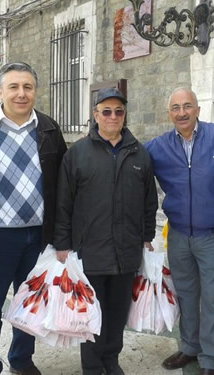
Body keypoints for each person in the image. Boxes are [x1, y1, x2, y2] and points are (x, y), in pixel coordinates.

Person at [0, 62, 67, 375]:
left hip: (38, 235)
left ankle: (21, 360)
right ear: (0, 91)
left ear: (35, 91)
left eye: (27, 87)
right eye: (13, 87)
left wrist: (61, 235)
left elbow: (61, 184)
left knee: (30, 304)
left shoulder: (49, 128)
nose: (21, 94)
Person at [53, 88, 158, 375]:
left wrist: (147, 236)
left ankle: (111, 360)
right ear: (95, 115)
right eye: (107, 111)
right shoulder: (77, 154)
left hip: (126, 252)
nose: (113, 116)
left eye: (119, 111)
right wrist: (63, 243)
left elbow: (150, 200)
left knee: (116, 313)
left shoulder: (139, 153)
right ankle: (92, 365)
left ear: (125, 116)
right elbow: (64, 203)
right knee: (90, 313)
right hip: (91, 250)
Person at [145, 87, 214, 375]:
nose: (182, 112)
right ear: (169, 113)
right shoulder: (157, 147)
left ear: (198, 109)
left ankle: (210, 359)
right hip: (179, 234)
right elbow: (129, 157)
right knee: (185, 294)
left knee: (211, 299)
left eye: (187, 106)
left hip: (213, 235)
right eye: (175, 107)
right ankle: (189, 347)